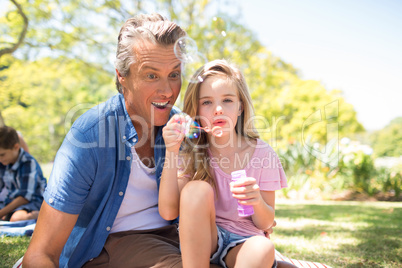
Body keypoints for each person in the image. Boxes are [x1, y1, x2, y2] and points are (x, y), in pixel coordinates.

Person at [23, 13, 189, 268]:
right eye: (151, 76)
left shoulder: (182, 129)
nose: (167, 91)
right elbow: (40, 254)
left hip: (179, 239)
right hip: (110, 247)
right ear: (122, 76)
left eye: (174, 74)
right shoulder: (89, 136)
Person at [159, 59, 289, 268]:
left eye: (227, 100)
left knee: (263, 248)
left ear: (240, 107)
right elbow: (168, 212)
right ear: (198, 113)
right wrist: (171, 151)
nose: (218, 109)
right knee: (196, 189)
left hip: (245, 242)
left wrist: (256, 200)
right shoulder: (192, 153)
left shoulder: (263, 154)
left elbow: (265, 223)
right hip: (205, 239)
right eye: (207, 102)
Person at [0, 126, 46, 222]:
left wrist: (2, 212)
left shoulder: (28, 162)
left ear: (16, 147)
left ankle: (41, 214)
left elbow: (25, 197)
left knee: (16, 218)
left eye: (2, 154)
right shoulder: (4, 162)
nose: (0, 158)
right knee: (9, 216)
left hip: (33, 201)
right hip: (11, 201)